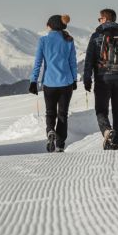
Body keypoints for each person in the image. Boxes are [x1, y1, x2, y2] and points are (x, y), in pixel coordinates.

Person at [82, 8, 118, 150]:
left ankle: (107, 131)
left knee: (101, 110)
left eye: (99, 19)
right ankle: (115, 143)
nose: (99, 21)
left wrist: (87, 79)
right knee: (117, 110)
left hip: (103, 78)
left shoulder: (97, 36)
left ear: (104, 19)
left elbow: (89, 59)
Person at [29, 14, 78, 153]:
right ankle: (60, 145)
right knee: (63, 114)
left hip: (49, 83)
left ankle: (50, 131)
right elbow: (73, 63)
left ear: (51, 25)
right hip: (66, 83)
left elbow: (38, 63)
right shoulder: (68, 40)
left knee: (50, 112)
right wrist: (74, 79)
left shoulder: (43, 40)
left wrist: (34, 81)